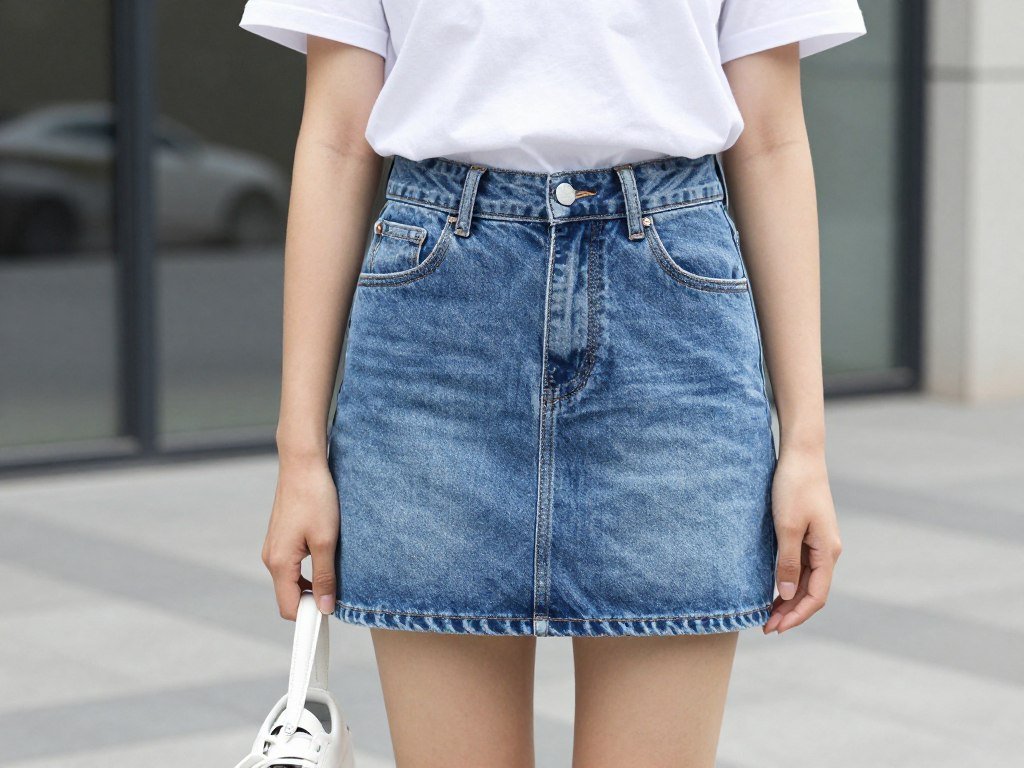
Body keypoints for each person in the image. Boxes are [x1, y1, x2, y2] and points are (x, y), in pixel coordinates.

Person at [238, 1, 866, 765]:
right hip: (437, 331)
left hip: (672, 326)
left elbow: (770, 140)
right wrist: (299, 453)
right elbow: (336, 141)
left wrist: (806, 442)